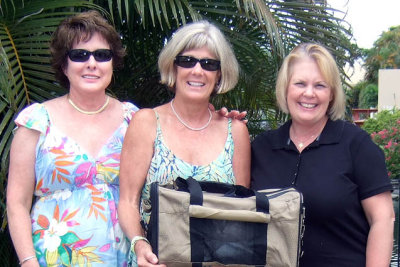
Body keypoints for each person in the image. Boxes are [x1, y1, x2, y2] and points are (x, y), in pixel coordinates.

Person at [6, 10, 137, 266]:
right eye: (80, 55)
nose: (92, 63)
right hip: (53, 259)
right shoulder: (36, 120)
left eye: (102, 55)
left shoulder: (133, 119)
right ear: (64, 65)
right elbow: (17, 202)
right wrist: (28, 261)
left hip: (126, 258)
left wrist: (216, 118)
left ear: (113, 62)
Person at [118, 20, 251, 266]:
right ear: (174, 66)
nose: (197, 71)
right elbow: (127, 200)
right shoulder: (147, 122)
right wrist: (139, 242)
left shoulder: (236, 132)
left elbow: (239, 213)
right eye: (187, 61)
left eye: (209, 64)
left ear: (219, 74)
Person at [251, 43, 395, 267]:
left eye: (320, 85)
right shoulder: (261, 148)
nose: (309, 93)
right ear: (285, 88)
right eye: (300, 83)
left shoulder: (356, 145)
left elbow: (383, 219)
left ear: (331, 94)